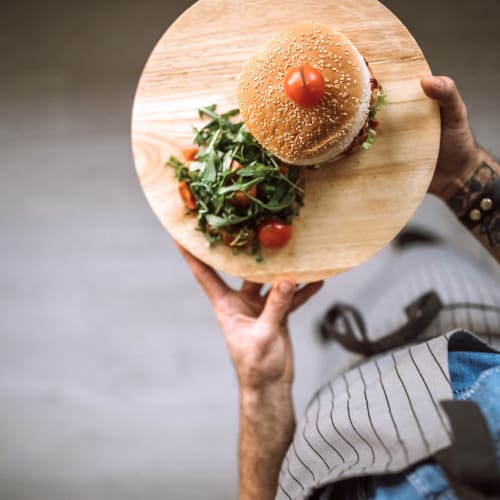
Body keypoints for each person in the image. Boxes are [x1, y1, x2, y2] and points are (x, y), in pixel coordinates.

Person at [176, 75, 500, 500]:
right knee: (432, 264)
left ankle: (415, 251)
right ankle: (422, 247)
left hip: (341, 389)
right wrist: (464, 180)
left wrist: (262, 387)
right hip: (474, 321)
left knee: (376, 296)